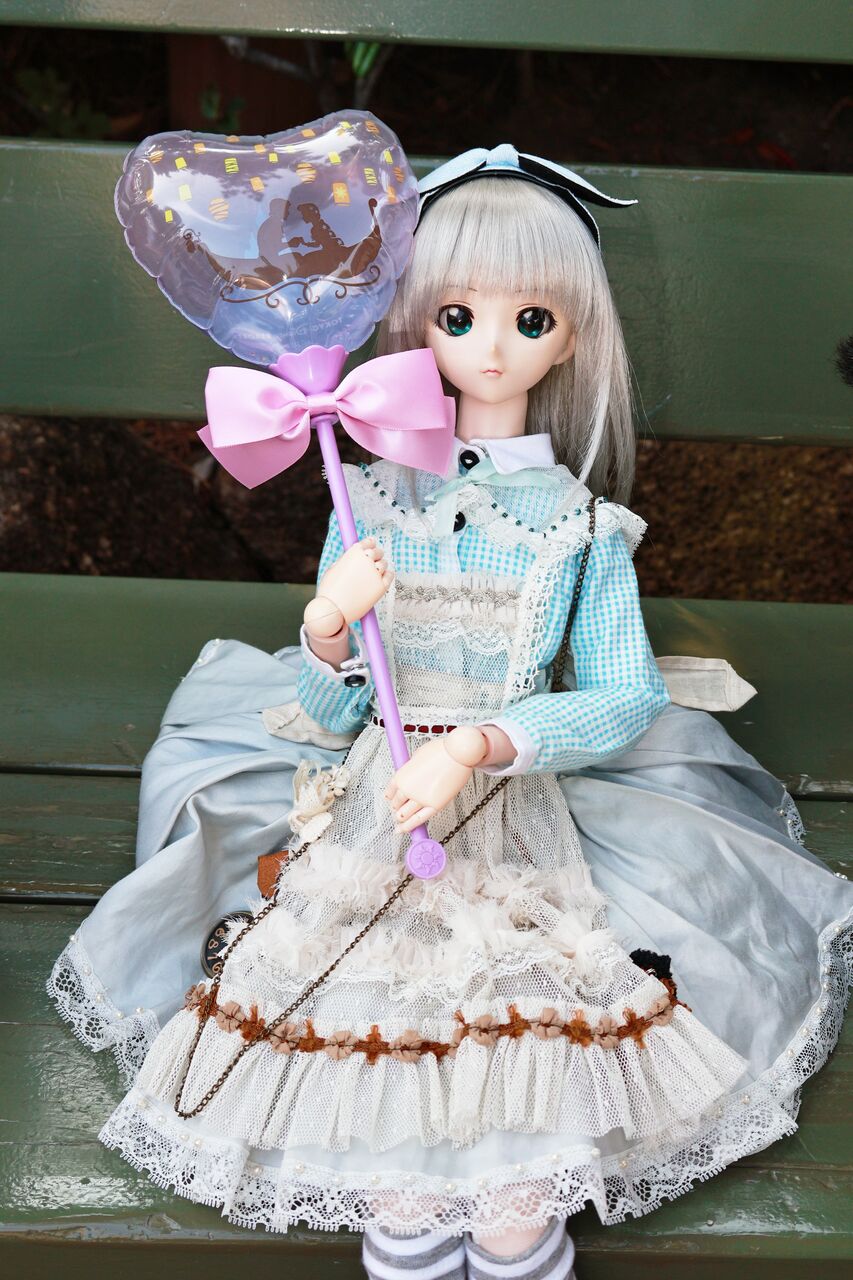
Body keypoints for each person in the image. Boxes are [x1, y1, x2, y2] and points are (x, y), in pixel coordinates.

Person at [47, 145, 852, 1280]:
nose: (491, 347)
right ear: (415, 325)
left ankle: (515, 1221)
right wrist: (329, 626)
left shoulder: (578, 526)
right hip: (377, 808)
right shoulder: (368, 498)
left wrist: (482, 742)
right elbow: (331, 712)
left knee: (524, 1077)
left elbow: (621, 694)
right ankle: (414, 1222)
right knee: (383, 1101)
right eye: (456, 316)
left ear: (571, 338)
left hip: (516, 805)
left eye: (531, 319)